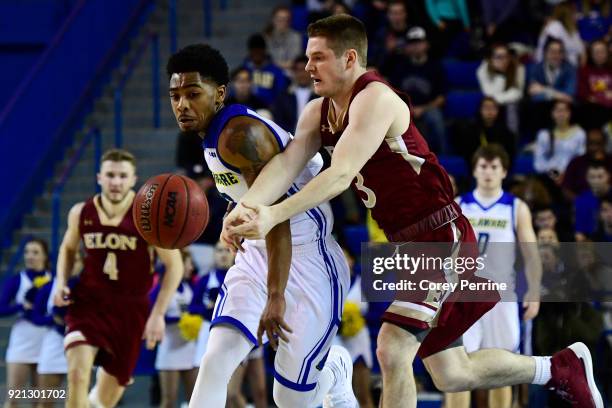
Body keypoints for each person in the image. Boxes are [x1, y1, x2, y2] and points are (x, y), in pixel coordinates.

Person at [224, 14, 604, 408]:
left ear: (349, 58)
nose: (307, 67)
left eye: (318, 57)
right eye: (307, 57)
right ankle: (559, 368)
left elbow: (340, 175)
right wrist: (245, 208)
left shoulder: (375, 98)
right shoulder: (318, 113)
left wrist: (272, 215)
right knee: (451, 372)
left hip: (441, 236)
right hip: (410, 247)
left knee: (392, 347)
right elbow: (286, 166)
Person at [166, 44, 355, 408]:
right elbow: (251, 195)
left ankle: (332, 369)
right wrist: (232, 215)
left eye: (193, 94)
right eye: (175, 96)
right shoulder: (213, 134)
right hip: (257, 251)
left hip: (307, 258)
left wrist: (275, 296)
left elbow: (277, 220)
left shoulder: (240, 135)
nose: (182, 105)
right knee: (217, 356)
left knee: (289, 400)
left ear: (219, 93)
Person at [52, 148, 183, 408]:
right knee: (77, 375)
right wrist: (60, 281)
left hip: (130, 310)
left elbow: (175, 266)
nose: (115, 182)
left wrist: (157, 314)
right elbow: (67, 249)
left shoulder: (148, 217)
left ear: (133, 179)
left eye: (122, 176)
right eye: (110, 175)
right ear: (99, 177)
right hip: (88, 304)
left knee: (103, 402)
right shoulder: (81, 212)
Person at [447, 144, 542, 408]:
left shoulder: (516, 207)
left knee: (501, 369)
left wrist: (534, 291)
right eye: (483, 167)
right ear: (475, 171)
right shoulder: (460, 205)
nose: (488, 172)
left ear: (504, 172)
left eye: (494, 167)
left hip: (501, 296)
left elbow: (532, 255)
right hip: (464, 295)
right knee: (457, 368)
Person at [0, 238, 51, 408]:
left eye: (35, 252)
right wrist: (21, 306)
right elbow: (1, 308)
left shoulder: (54, 280)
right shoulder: (17, 280)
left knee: (40, 401)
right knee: (13, 398)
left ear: (45, 256)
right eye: (27, 252)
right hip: (21, 343)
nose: (30, 256)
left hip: (45, 343)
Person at [380, 26, 448, 154]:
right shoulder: (401, 66)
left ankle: (443, 159)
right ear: (407, 46)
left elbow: (441, 98)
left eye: (419, 42)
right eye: (412, 43)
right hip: (404, 109)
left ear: (426, 45)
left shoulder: (436, 67)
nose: (416, 46)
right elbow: (391, 92)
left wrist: (423, 109)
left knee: (435, 117)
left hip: (427, 109)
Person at [152, 249, 198, 408]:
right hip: (169, 349)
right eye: (188, 264)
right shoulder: (161, 289)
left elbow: (197, 310)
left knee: (195, 399)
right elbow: (153, 315)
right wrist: (178, 320)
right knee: (169, 401)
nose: (191, 268)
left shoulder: (190, 287)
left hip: (189, 348)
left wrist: (194, 320)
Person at [454, 96, 517, 167]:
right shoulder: (471, 131)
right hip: (477, 169)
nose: (489, 111)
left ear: (498, 111)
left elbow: (510, 155)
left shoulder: (506, 132)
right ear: (480, 110)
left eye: (493, 108)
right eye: (486, 108)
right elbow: (467, 154)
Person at [476, 43, 525, 133]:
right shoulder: (482, 70)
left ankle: (512, 139)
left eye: (506, 57)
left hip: (513, 105)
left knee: (511, 106)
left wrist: (498, 99)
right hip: (494, 104)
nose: (504, 60)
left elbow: (518, 93)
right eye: (499, 57)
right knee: (486, 106)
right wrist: (500, 75)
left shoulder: (519, 68)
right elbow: (488, 94)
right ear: (491, 58)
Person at [533, 100, 586, 181]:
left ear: (570, 113)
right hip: (549, 178)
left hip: (572, 177)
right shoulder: (544, 135)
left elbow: (582, 159)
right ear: (552, 113)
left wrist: (567, 175)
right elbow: (538, 163)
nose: (561, 114)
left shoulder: (579, 134)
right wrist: (555, 175)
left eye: (564, 110)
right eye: (558, 110)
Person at [562, 127, 612, 200]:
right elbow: (565, 189)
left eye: (598, 143)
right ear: (585, 144)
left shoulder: (610, 161)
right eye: (590, 143)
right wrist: (581, 202)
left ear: (605, 143)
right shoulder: (576, 162)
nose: (594, 147)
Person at [272, 56, 317, 133]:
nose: (302, 74)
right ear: (294, 72)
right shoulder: (284, 96)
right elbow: (279, 121)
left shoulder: (319, 95)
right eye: (299, 70)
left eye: (305, 70)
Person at [242, 34, 290, 106]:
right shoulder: (244, 70)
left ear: (264, 50)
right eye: (254, 50)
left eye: (259, 50)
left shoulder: (275, 71)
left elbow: (281, 94)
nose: (256, 54)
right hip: (247, 108)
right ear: (250, 51)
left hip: (269, 110)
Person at [535, 1, 586, 66]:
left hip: (571, 68)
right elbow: (552, 53)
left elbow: (581, 51)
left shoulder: (573, 30)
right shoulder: (554, 27)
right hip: (552, 67)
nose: (576, 16)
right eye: (574, 13)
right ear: (567, 14)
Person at [577, 39, 612, 129]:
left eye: (602, 52)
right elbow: (583, 94)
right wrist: (603, 97)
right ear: (591, 54)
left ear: (607, 53)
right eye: (596, 52)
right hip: (592, 110)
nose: (600, 55)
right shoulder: (584, 71)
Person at [263, 5, 304, 72]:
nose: (283, 23)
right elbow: (264, 61)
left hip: (290, 73)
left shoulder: (296, 37)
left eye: (286, 20)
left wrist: (275, 65)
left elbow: (294, 62)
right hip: (269, 72)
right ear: (273, 20)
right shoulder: (266, 37)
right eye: (280, 19)